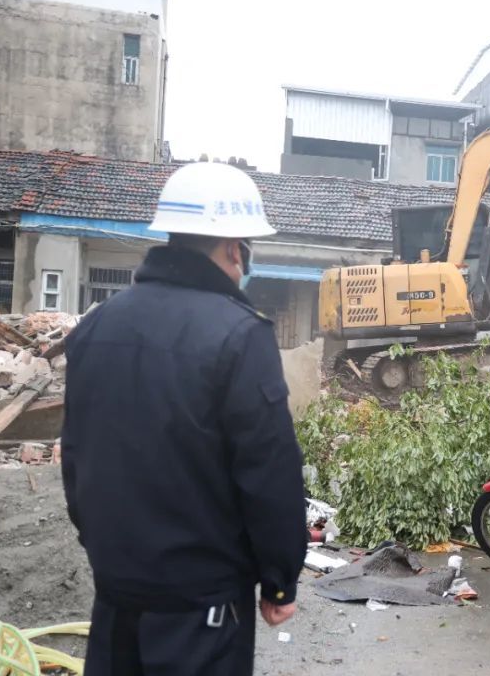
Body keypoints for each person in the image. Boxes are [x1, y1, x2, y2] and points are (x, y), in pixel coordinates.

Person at [61, 162, 308, 675]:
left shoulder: (98, 325)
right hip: (202, 608)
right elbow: (269, 471)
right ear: (234, 249)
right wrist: (280, 580)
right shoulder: (240, 336)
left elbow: (75, 455)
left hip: (116, 595)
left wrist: (105, 551)